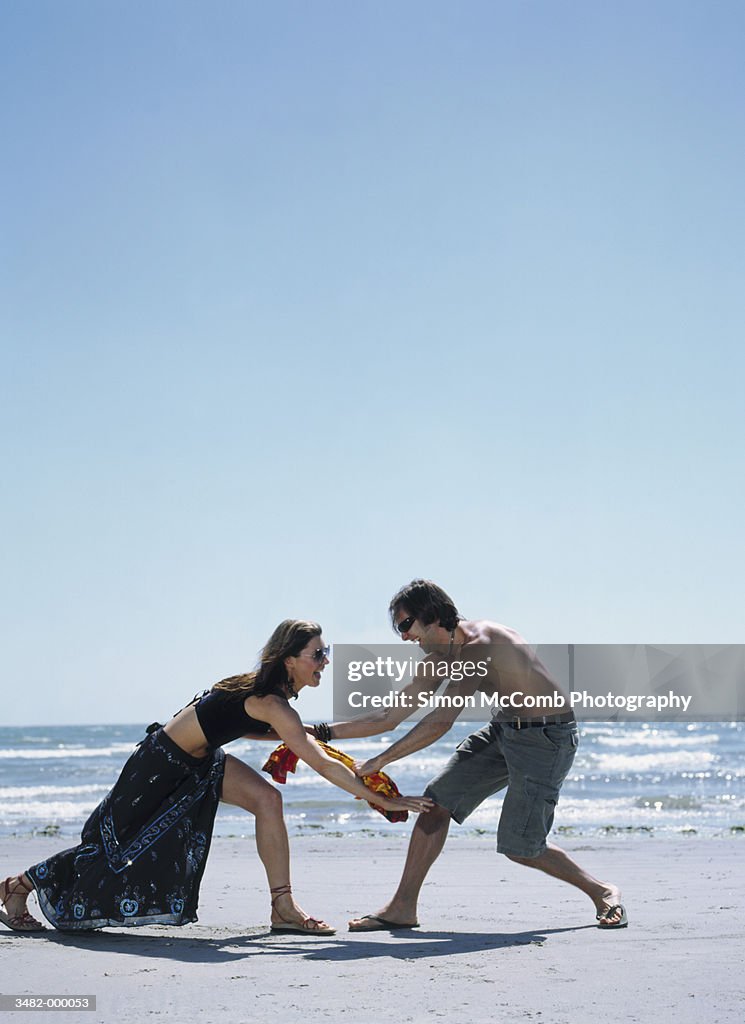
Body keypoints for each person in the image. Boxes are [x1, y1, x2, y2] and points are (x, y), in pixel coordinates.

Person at [0, 619, 432, 935]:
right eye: (317, 654)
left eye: (327, 653)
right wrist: (381, 799)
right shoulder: (269, 701)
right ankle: (17, 885)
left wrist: (324, 739)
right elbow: (320, 762)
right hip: (160, 767)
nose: (325, 661)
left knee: (268, 800)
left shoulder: (268, 697)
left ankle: (283, 907)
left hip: (201, 764)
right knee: (114, 850)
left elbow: (259, 731)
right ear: (289, 659)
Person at [319, 581, 628, 932]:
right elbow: (389, 716)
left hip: (547, 738)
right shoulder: (438, 659)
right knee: (436, 803)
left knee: (521, 847)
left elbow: (440, 722)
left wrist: (379, 762)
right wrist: (322, 732)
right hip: (505, 730)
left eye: (406, 625)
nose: (404, 637)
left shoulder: (481, 645)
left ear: (432, 615)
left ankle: (602, 891)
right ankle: (402, 907)